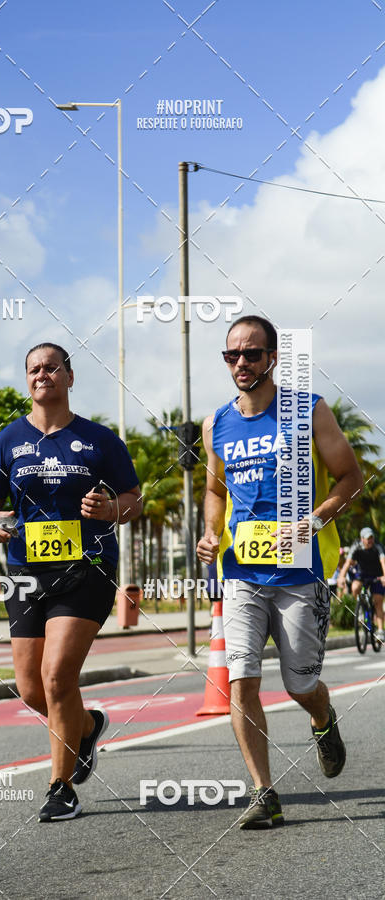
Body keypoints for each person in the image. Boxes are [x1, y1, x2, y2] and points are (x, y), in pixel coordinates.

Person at [196, 315, 363, 830]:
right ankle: (263, 793)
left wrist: (312, 521)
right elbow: (215, 491)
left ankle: (322, 718)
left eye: (251, 354)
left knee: (299, 684)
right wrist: (210, 532)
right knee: (242, 680)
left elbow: (350, 477)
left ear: (272, 357)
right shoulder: (216, 424)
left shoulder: (307, 410)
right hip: (241, 572)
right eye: (231, 355)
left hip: (298, 572)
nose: (240, 363)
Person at [0, 342, 141, 822]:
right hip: (25, 571)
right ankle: (85, 729)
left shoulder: (99, 440)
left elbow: (134, 500)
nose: (42, 374)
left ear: (70, 377)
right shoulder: (8, 441)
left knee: (56, 677)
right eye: (33, 369)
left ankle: (60, 786)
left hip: (86, 569)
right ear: (26, 380)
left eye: (51, 367)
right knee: (31, 690)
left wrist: (111, 509)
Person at [337, 527, 385, 640]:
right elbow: (348, 563)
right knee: (355, 587)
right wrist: (341, 577)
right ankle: (361, 608)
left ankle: (380, 630)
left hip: (377, 575)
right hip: (362, 574)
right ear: (362, 539)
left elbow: (383, 562)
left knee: (378, 600)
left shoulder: (378, 546)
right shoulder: (356, 546)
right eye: (368, 538)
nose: (370, 541)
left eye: (371, 538)